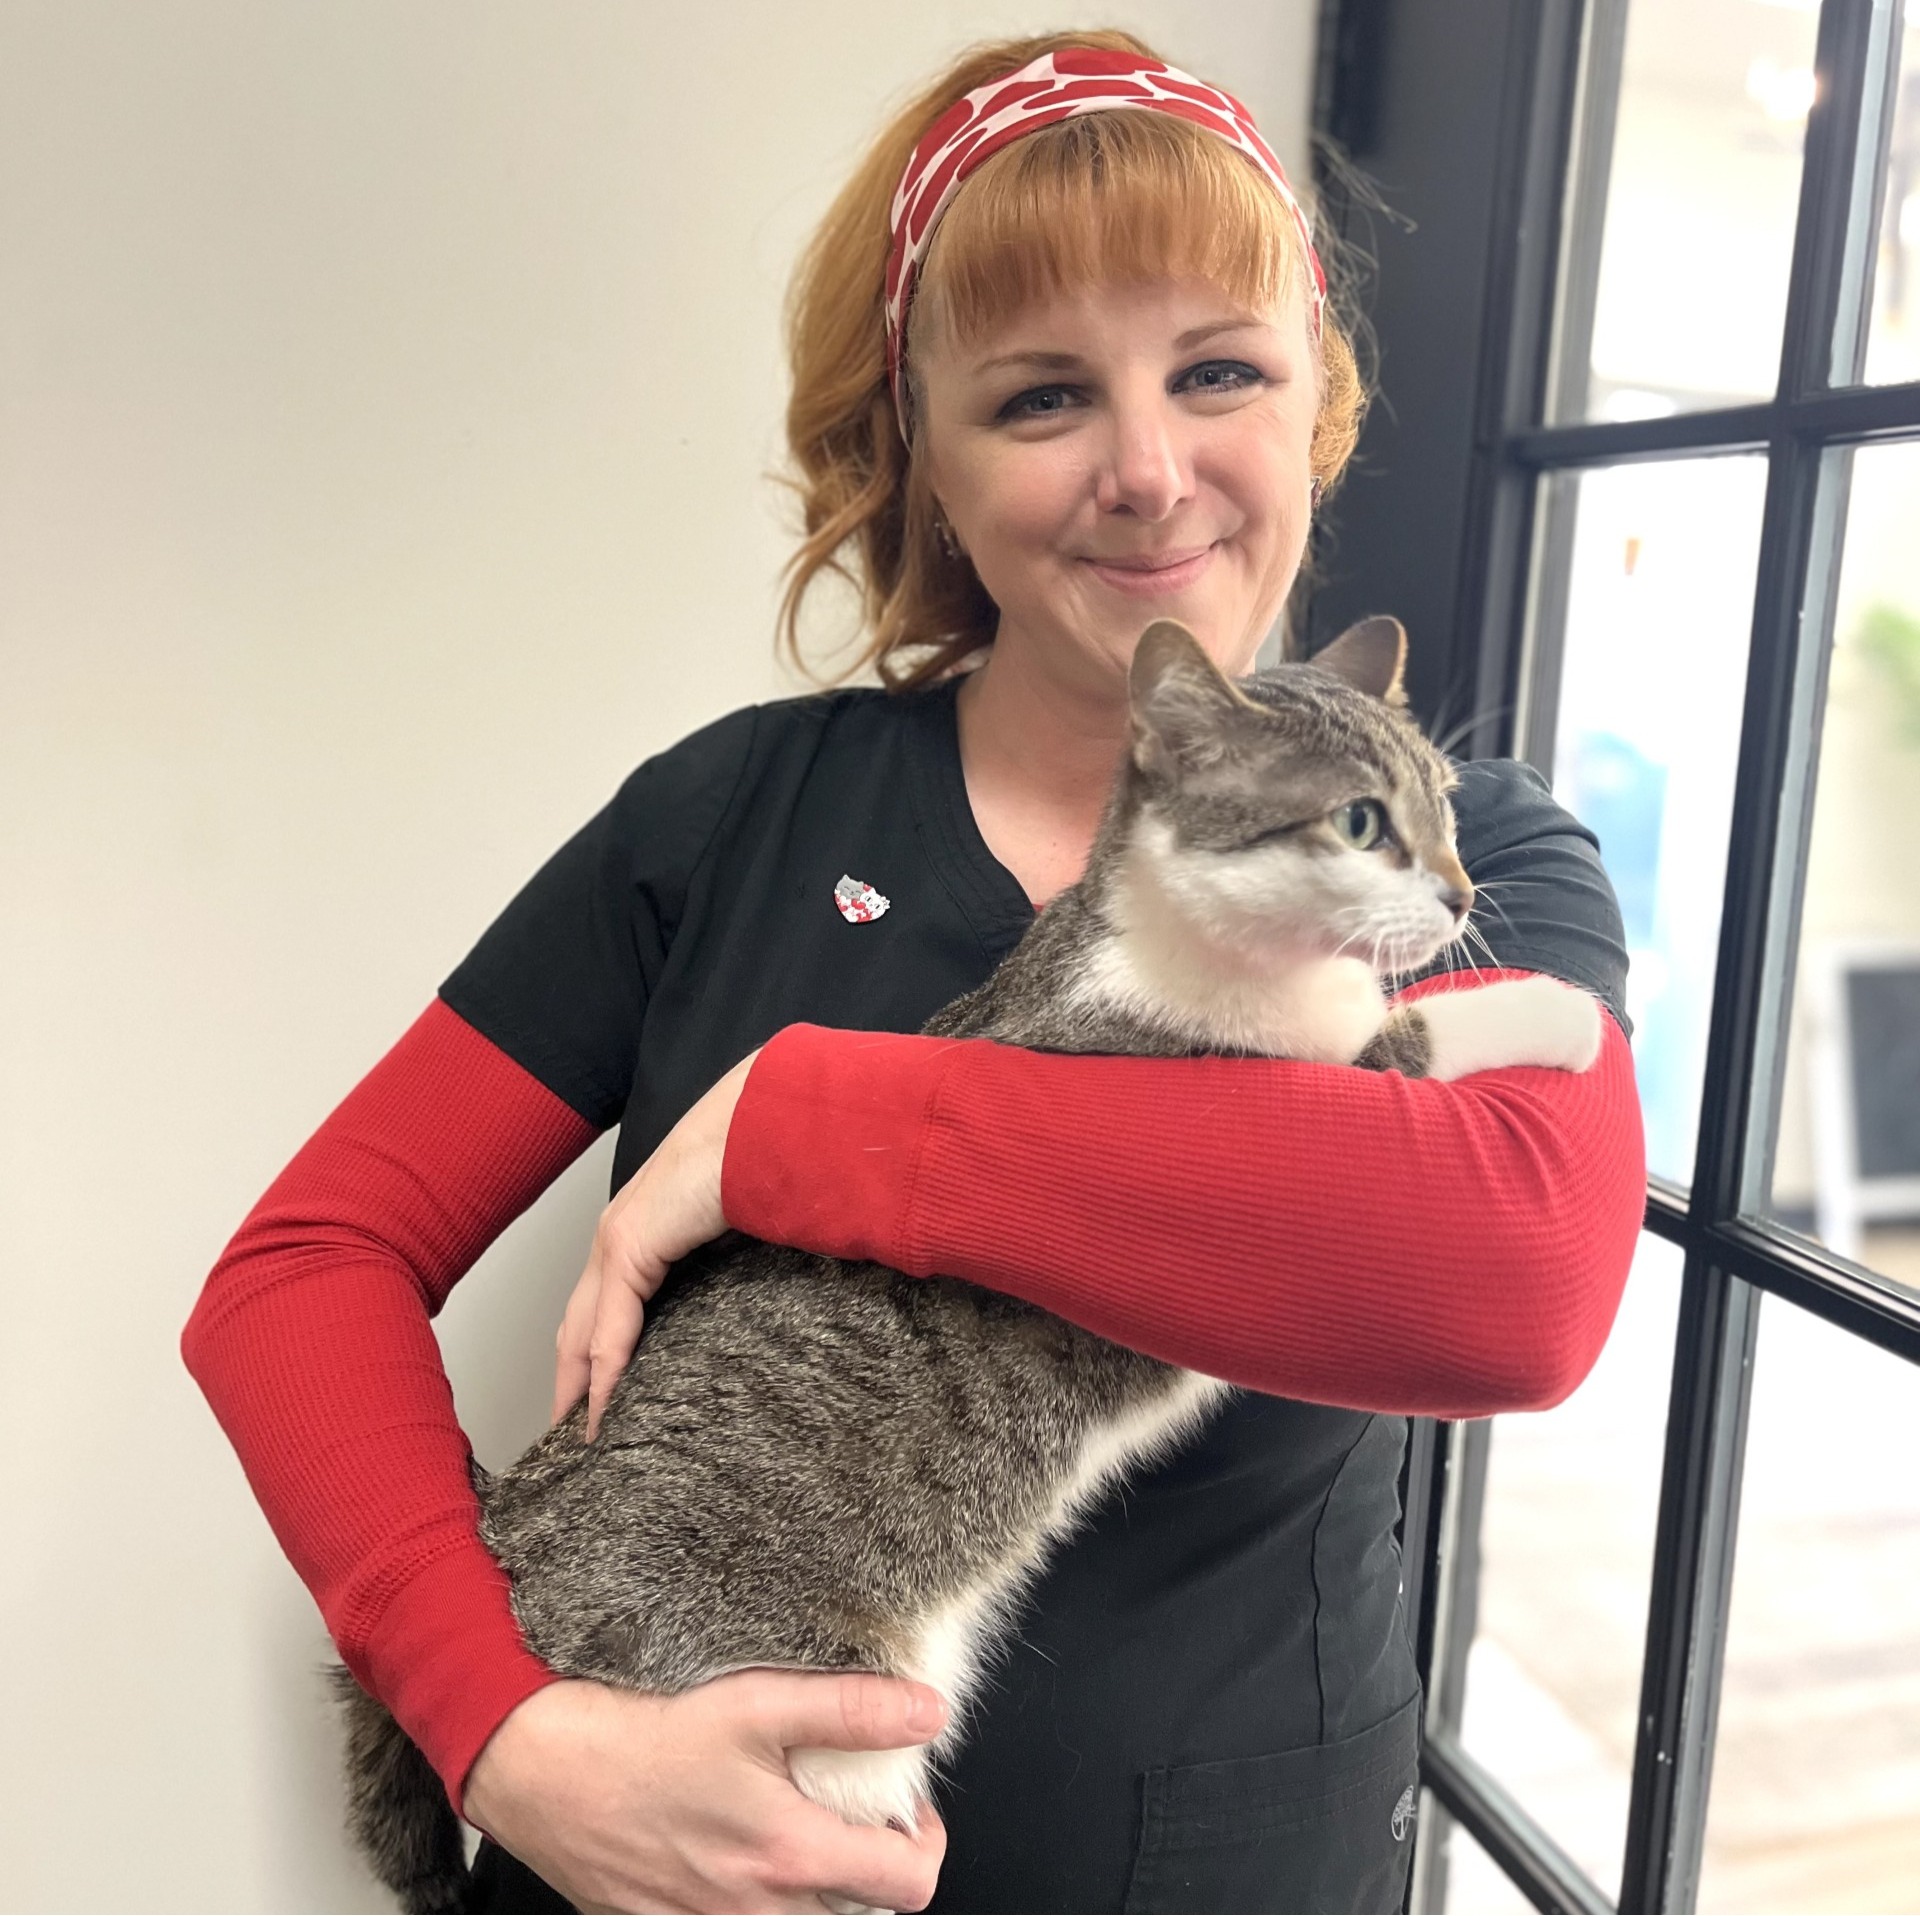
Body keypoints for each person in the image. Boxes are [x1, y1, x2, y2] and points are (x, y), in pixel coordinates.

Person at [183, 30, 1645, 1916]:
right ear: (918, 461)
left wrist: (813, 1119)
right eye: (1042, 398)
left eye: (1220, 371)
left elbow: (1522, 1291)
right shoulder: (729, 814)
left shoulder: (1469, 853)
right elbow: (300, 1274)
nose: (1148, 471)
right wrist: (501, 1735)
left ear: (1315, 404)